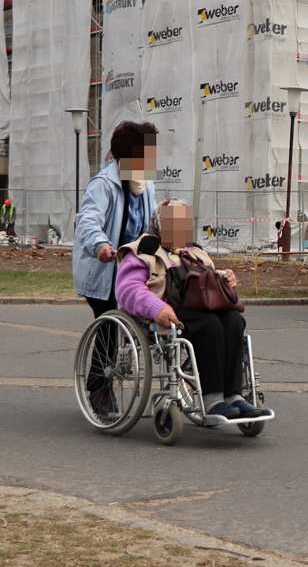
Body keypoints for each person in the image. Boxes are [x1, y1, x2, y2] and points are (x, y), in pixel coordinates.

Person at [115, 198, 265, 419]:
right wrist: (157, 308)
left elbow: (208, 279)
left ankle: (234, 396)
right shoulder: (141, 252)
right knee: (209, 324)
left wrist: (224, 277)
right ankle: (213, 399)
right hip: (167, 312)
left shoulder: (194, 251)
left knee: (234, 320)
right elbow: (127, 289)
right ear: (160, 223)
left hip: (199, 307)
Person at [73, 121, 159, 319]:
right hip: (105, 269)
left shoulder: (146, 184)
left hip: (134, 267)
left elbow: (155, 222)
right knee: (110, 327)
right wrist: (100, 244)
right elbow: (87, 221)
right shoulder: (103, 184)